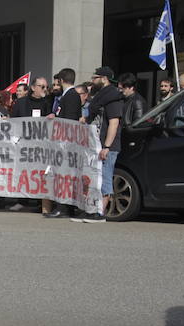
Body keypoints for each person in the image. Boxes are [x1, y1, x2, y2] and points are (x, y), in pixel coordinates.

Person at [80, 66, 124, 224]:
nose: (92, 81)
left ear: (104, 79)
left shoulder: (112, 98)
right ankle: (93, 209)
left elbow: (114, 123)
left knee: (104, 177)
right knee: (95, 177)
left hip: (106, 145)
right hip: (96, 143)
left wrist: (107, 146)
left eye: (95, 78)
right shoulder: (100, 97)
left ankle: (101, 212)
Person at [43, 68, 83, 218]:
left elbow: (70, 120)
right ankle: (66, 207)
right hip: (64, 141)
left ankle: (62, 207)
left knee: (63, 175)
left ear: (61, 80)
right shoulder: (68, 96)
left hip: (66, 142)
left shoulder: (71, 96)